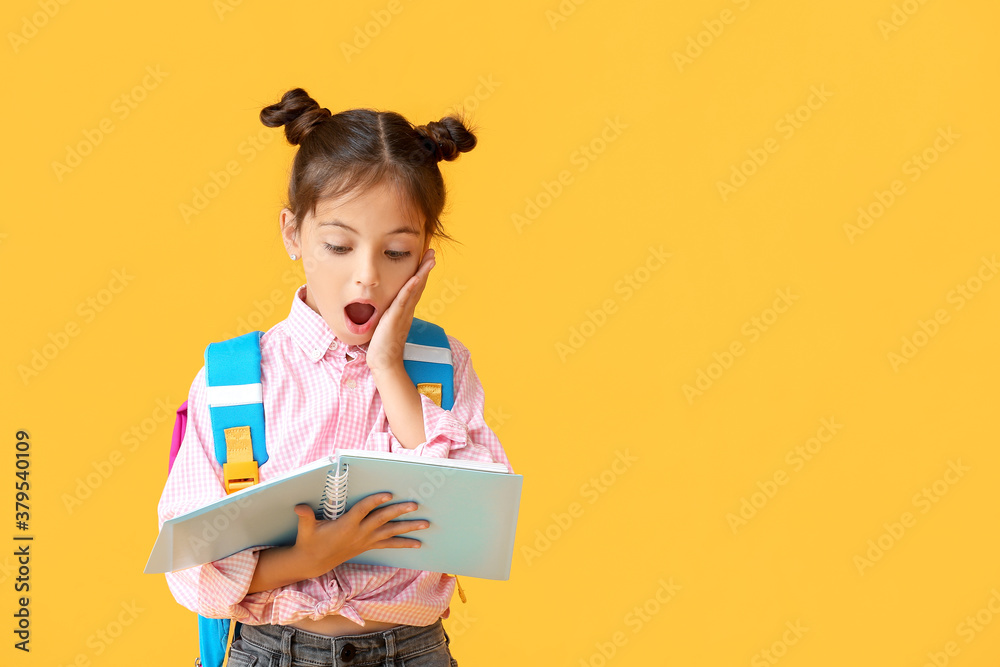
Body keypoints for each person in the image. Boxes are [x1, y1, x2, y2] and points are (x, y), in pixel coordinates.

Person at [156, 87, 514, 667]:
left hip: (412, 651)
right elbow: (191, 568)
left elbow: (476, 519)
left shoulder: (442, 366)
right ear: (294, 234)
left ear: (426, 252)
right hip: (272, 652)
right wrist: (306, 559)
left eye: (396, 252)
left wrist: (389, 366)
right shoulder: (234, 381)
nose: (366, 277)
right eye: (339, 246)